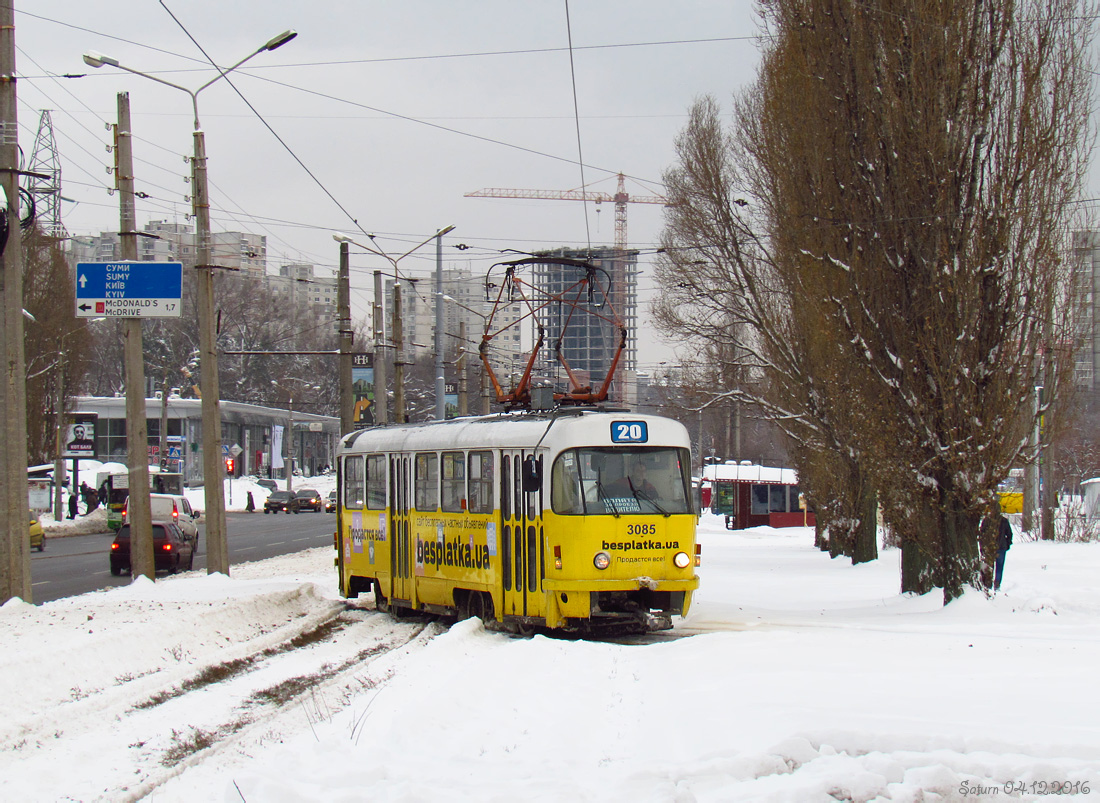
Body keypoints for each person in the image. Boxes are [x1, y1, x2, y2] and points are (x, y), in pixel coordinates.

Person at [995, 512, 1013, 590]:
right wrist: (1007, 543)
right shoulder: (1004, 521)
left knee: (988, 566)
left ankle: (987, 583)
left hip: (989, 547)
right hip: (1001, 547)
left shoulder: (987, 520)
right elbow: (1009, 534)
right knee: (999, 567)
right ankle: (997, 583)